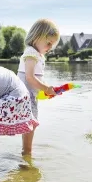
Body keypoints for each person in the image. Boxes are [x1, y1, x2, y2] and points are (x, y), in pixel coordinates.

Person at [17, 18, 60, 156]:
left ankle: (26, 152)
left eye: (52, 45)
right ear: (36, 37)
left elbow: (36, 79)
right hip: (26, 97)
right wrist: (46, 88)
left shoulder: (37, 54)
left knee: (29, 126)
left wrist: (44, 91)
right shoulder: (31, 53)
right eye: (48, 43)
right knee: (30, 125)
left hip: (30, 96)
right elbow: (29, 77)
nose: (49, 48)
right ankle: (27, 153)